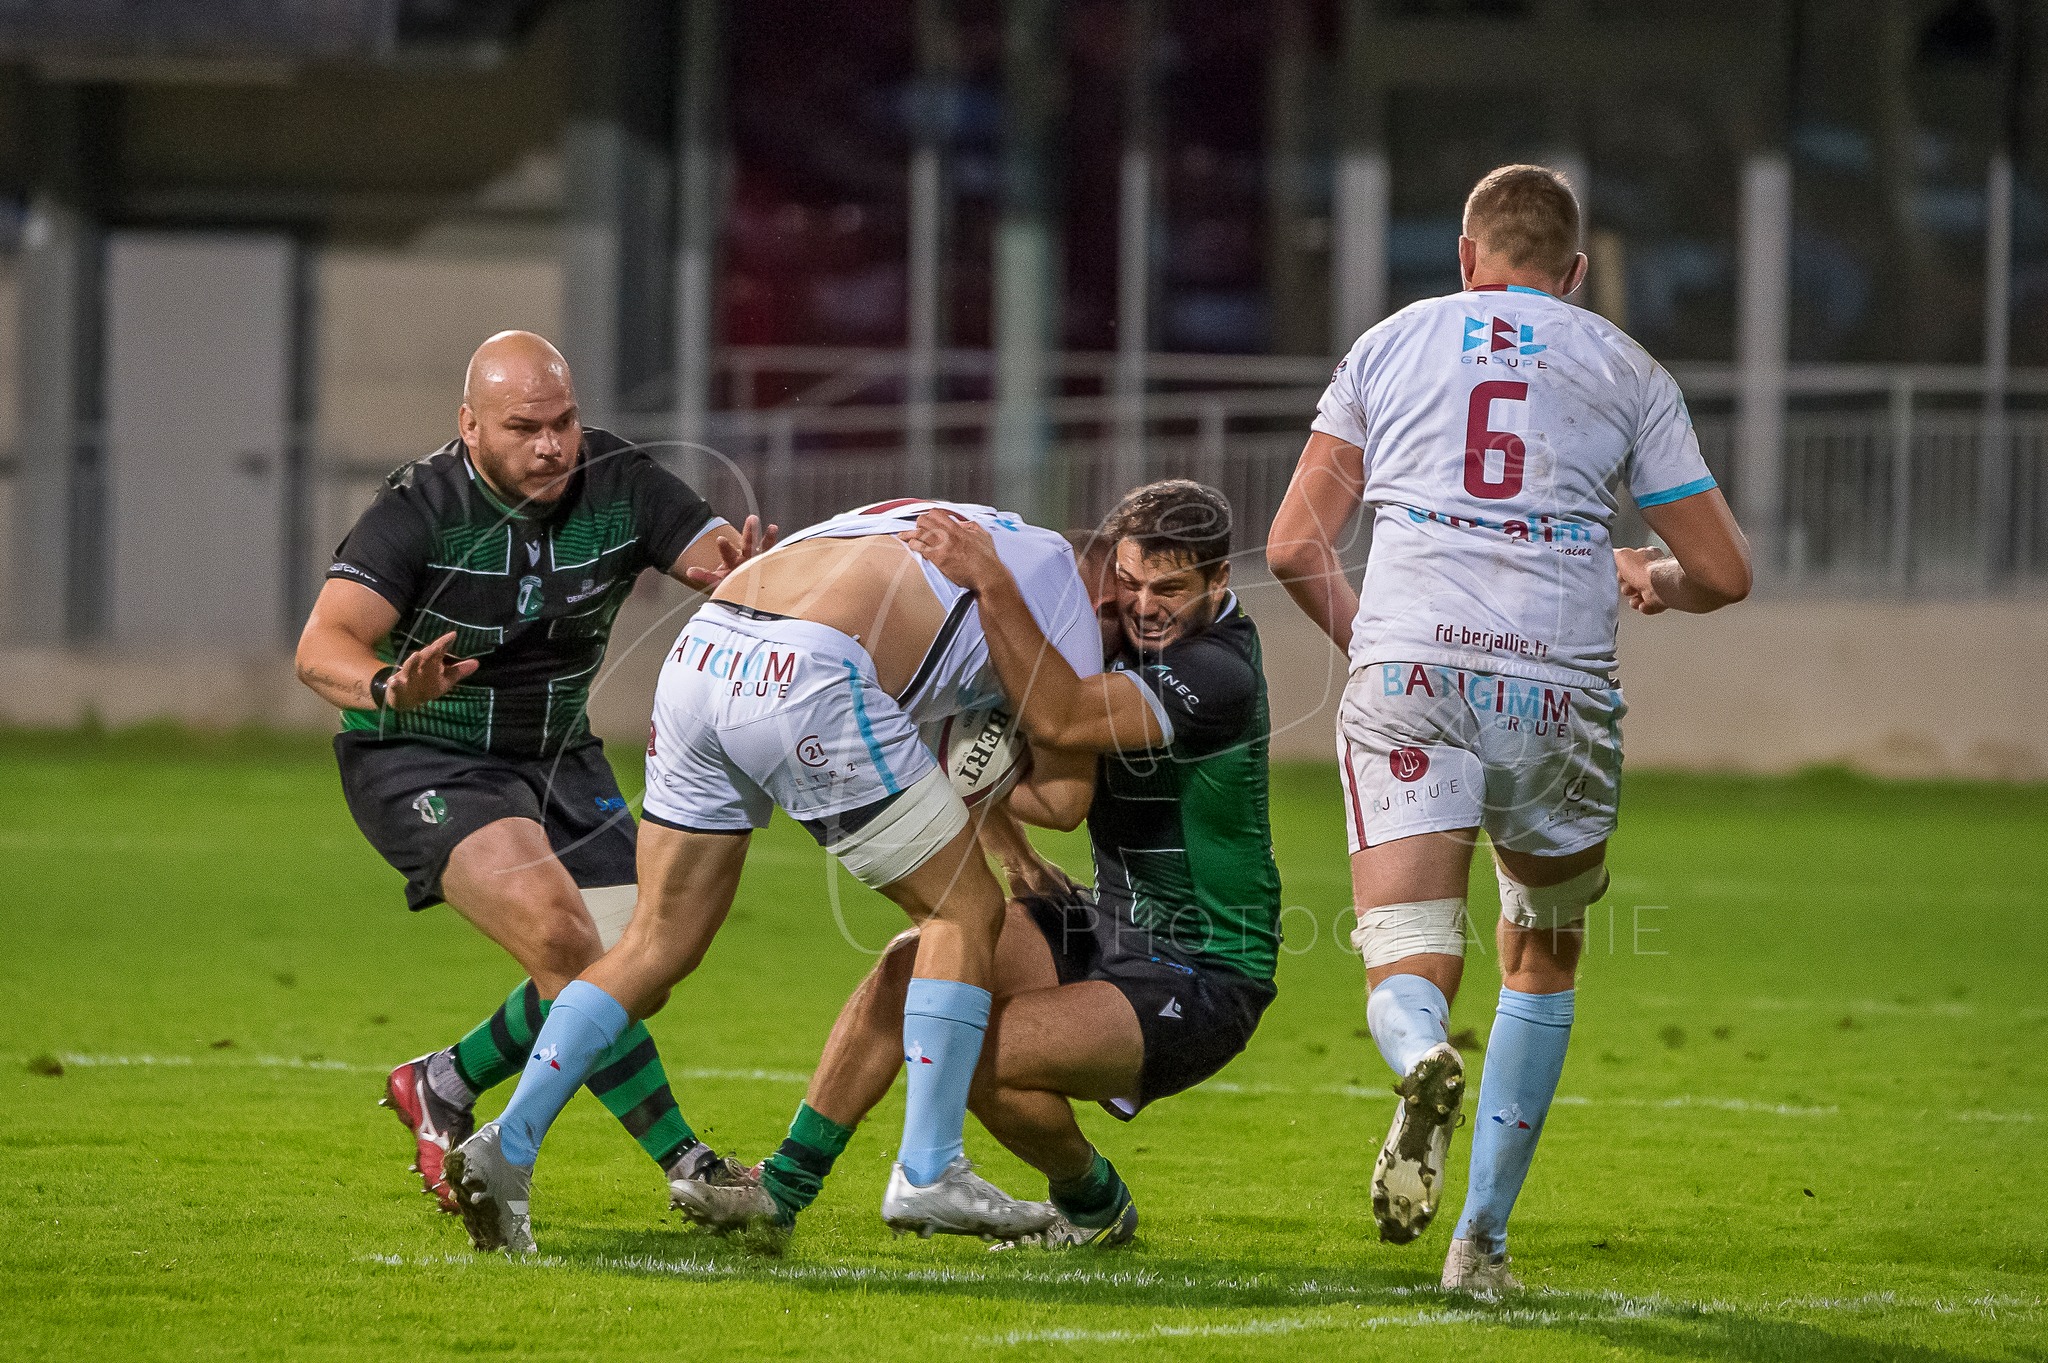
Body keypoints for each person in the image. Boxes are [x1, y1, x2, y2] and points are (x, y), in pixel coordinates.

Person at [1266, 165, 1752, 1294]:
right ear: (1575, 275)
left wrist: (1375, 645)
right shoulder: (1625, 367)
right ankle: (1477, 1242)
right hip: (1555, 692)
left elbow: (1294, 545)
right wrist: (1651, 575)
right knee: (1540, 950)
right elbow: (1725, 573)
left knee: (1406, 949)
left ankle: (1420, 1050)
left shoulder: (1392, 343)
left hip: (1411, 672)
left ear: (1464, 255)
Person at [445, 500, 1105, 1254]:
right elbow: (1065, 794)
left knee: (654, 938)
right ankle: (928, 1166)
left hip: (704, 651)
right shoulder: (1064, 578)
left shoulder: (929, 517)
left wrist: (986, 801)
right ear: (1106, 583)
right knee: (965, 911)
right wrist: (1001, 748)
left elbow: (913, 675)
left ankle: (510, 1143)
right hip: (811, 677)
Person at [670, 481, 1282, 1249]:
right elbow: (1002, 753)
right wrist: (796, 607)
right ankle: (781, 1190)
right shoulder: (1117, 629)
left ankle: (1093, 1205)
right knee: (912, 974)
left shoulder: (1220, 670)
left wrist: (989, 576)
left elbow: (1060, 720)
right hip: (1107, 920)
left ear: (1220, 581)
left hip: (1203, 962)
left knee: (974, 1051)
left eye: (1171, 588)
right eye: (1129, 583)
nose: (1144, 605)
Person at [295, 330, 768, 1213]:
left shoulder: (617, 483)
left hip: (555, 753)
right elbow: (319, 644)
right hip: (423, 751)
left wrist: (749, 577)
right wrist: (390, 684)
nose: (551, 444)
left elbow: (714, 549)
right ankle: (687, 1162)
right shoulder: (421, 509)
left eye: (564, 422)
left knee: (643, 964)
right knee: (564, 940)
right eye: (524, 427)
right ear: (469, 427)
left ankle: (446, 1077)